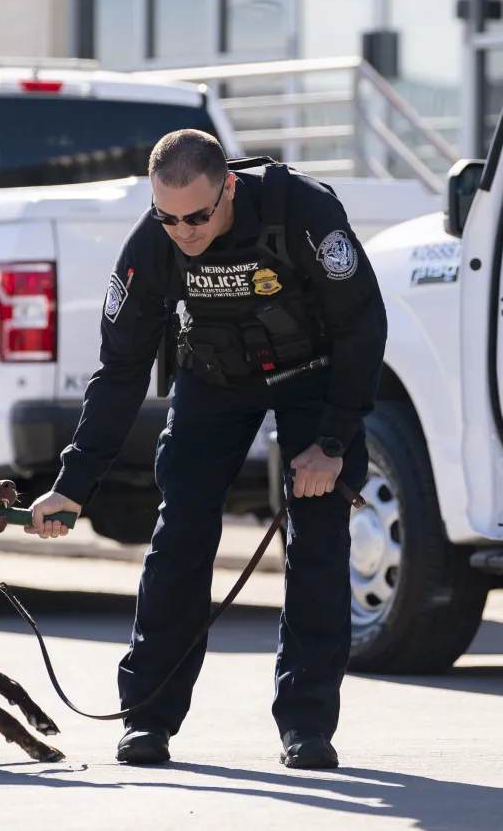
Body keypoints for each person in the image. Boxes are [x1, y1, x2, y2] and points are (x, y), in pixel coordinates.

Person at [26, 129, 387, 769]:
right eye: (168, 217)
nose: (184, 232)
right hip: (214, 380)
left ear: (228, 186)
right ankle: (148, 719)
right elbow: (119, 371)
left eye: (197, 216)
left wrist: (331, 442)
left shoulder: (302, 211)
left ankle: (306, 726)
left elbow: (364, 324)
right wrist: (73, 485)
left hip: (313, 380)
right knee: (181, 534)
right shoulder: (152, 245)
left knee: (319, 538)